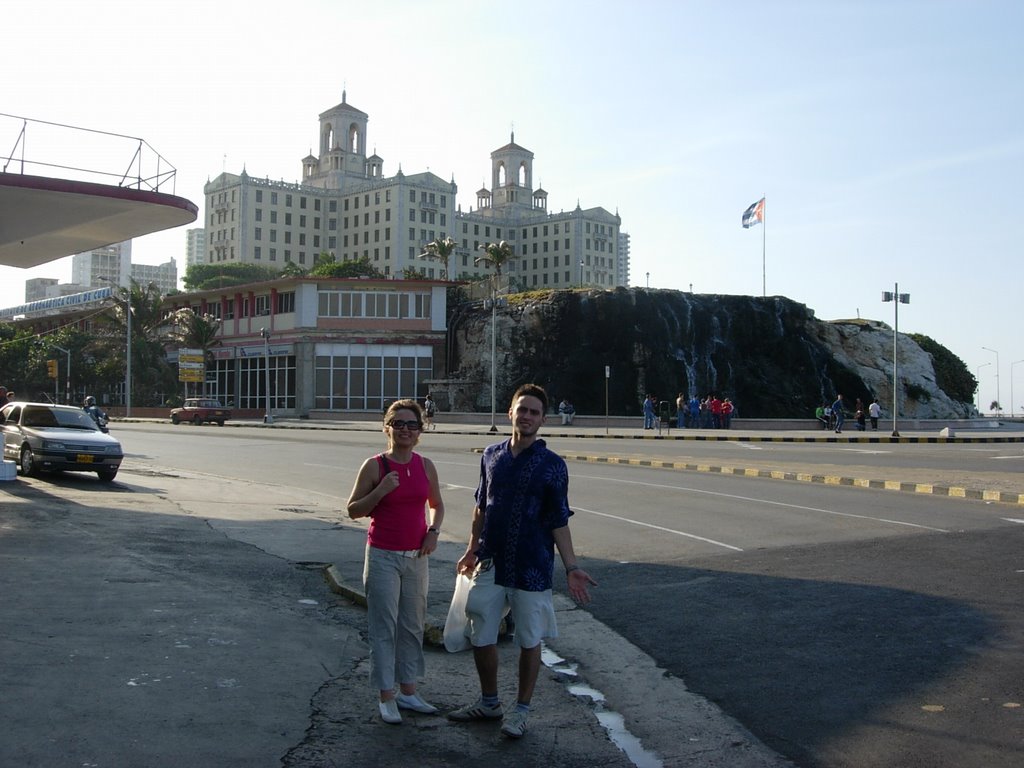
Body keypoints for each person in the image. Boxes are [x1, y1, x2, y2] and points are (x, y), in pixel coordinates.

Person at [448, 383, 596, 739]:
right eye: (522, 409)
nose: (527, 416)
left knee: (529, 638)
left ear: (543, 419)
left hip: (532, 564)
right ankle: (489, 702)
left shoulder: (553, 466)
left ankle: (522, 710)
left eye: (534, 412)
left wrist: (572, 566)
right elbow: (481, 506)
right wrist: (471, 548)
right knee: (480, 630)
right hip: (491, 560)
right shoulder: (491, 455)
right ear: (510, 413)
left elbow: (559, 518)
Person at [346, 399, 446, 725]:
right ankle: (386, 695)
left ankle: (408, 690)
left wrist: (433, 531)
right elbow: (354, 509)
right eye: (398, 423)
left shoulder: (425, 465)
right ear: (386, 427)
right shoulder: (375, 466)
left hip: (416, 557)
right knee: (383, 627)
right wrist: (381, 491)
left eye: (411, 425)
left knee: (412, 625)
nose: (405, 429)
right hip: (383, 556)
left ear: (420, 432)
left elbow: (437, 506)